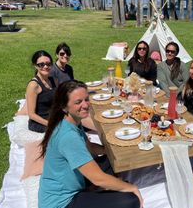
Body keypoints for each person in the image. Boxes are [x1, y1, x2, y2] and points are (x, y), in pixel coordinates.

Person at [38, 80, 143, 208]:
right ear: (64, 107)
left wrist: (109, 150)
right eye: (78, 102)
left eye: (86, 99)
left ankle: (100, 189)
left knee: (112, 160)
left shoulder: (72, 121)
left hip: (76, 182)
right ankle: (99, 190)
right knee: (130, 200)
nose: (85, 105)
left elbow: (91, 149)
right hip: (62, 202)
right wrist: (131, 187)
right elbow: (97, 178)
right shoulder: (68, 137)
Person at [26, 50, 56, 133]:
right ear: (35, 66)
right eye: (41, 64)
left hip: (53, 117)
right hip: (40, 123)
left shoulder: (53, 80)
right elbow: (31, 115)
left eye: (48, 64)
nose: (46, 66)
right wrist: (50, 124)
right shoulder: (33, 85)